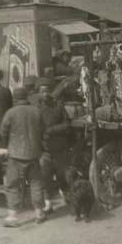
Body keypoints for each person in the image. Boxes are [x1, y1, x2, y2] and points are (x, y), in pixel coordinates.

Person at [0, 87, 46, 227]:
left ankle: (13, 216)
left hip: (15, 154)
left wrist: (6, 146)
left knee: (13, 184)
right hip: (33, 153)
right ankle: (39, 213)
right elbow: (43, 129)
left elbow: (3, 131)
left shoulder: (10, 113)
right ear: (26, 97)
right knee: (35, 183)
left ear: (14, 98)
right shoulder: (36, 111)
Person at [37, 78, 73, 214]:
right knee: (44, 176)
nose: (45, 93)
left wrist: (51, 130)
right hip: (44, 150)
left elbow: (67, 124)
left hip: (59, 148)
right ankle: (48, 203)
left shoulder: (58, 105)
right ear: (39, 93)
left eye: (47, 90)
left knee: (62, 174)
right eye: (42, 91)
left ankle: (66, 196)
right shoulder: (36, 109)